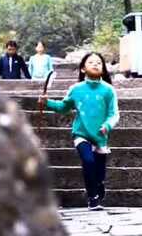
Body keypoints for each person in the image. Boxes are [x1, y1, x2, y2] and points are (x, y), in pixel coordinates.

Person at [39, 52, 118, 211]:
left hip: (100, 137)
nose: (95, 64)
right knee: (88, 161)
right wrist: (47, 103)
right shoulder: (75, 89)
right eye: (91, 62)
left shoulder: (108, 90)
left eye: (99, 63)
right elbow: (63, 107)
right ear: (83, 68)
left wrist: (107, 125)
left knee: (99, 173)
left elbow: (114, 114)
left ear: (103, 69)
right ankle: (92, 198)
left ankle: (98, 185)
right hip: (81, 134)